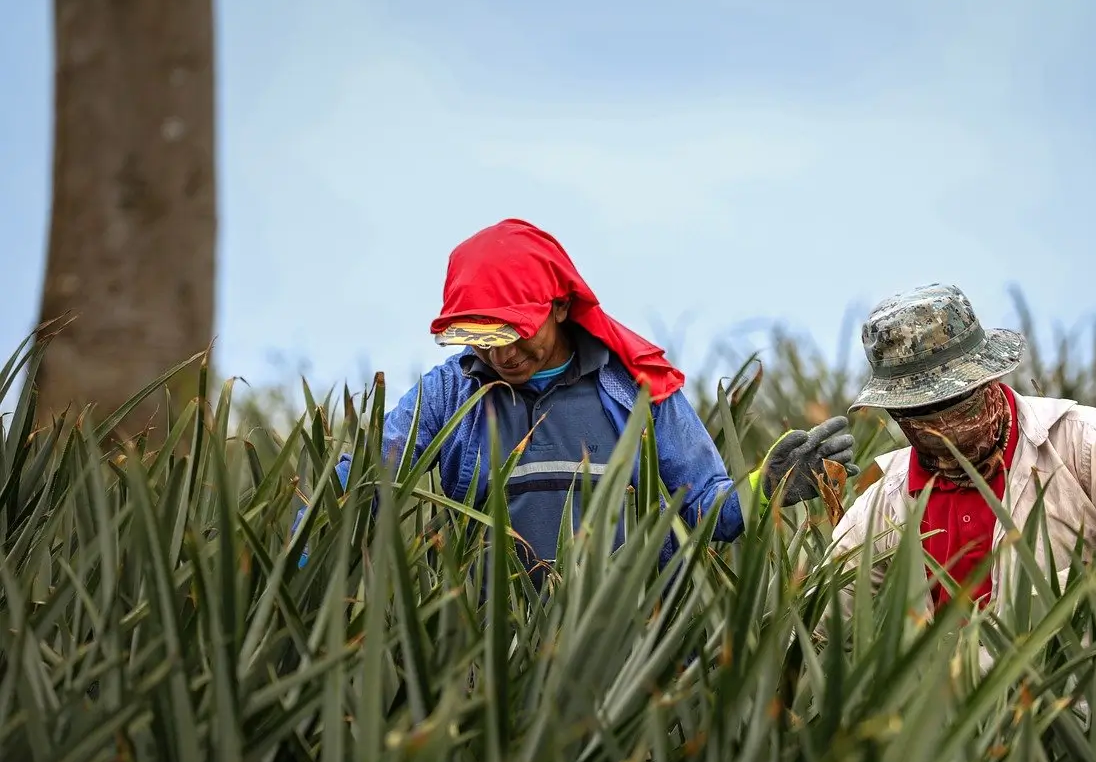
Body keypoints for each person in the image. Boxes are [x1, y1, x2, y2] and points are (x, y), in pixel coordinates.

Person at [295, 218, 858, 575]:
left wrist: (767, 487)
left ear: (561, 306)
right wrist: (287, 562)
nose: (502, 355)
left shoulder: (638, 387)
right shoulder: (449, 393)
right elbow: (361, 483)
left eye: (517, 333)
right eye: (485, 339)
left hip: (632, 660)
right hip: (495, 661)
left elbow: (705, 510)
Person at [829, 283, 1096, 643]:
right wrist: (788, 494)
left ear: (990, 377)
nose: (942, 425)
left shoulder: (1089, 442)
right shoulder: (885, 503)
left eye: (955, 402)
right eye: (918, 411)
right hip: (951, 685)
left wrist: (1058, 602)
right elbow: (823, 622)